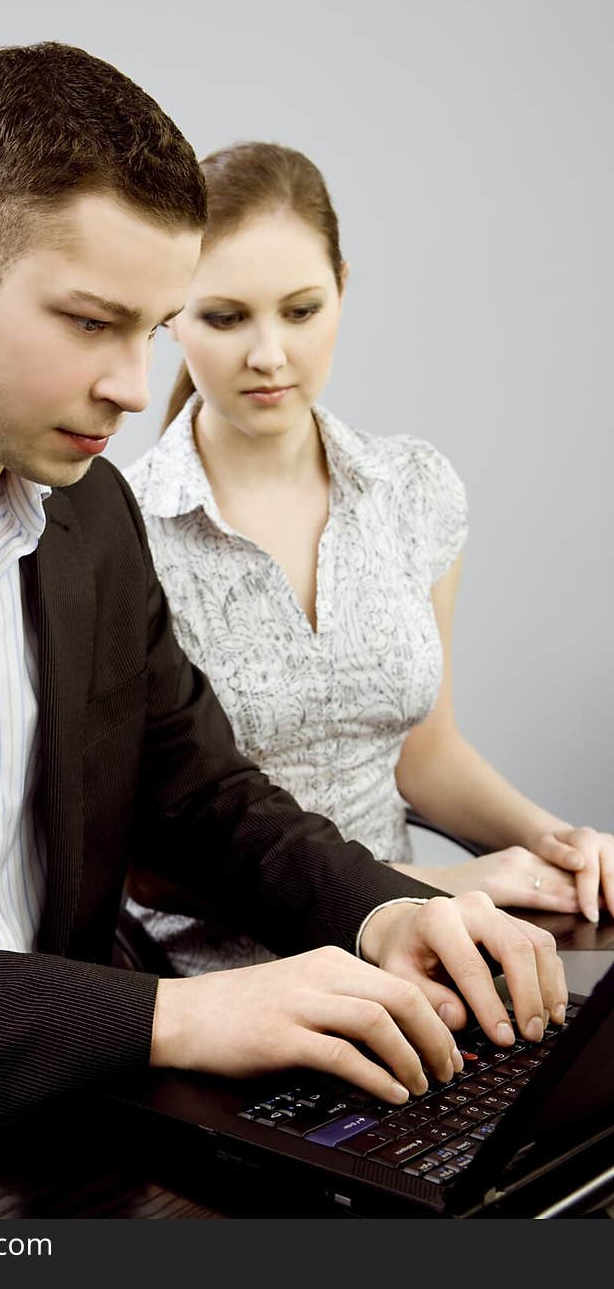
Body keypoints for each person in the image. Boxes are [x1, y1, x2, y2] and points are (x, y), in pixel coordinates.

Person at [0, 49, 567, 1216]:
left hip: (92, 1141)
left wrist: (387, 909)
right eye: (92, 323)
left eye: (158, 329)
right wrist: (174, 1016)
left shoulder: (93, 514)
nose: (136, 388)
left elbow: (207, 793)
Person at [124, 141, 613, 977]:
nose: (269, 355)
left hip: (427, 964)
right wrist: (430, 888)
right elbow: (144, 856)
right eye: (225, 316)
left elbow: (426, 755)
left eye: (302, 310)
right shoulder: (125, 531)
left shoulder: (413, 488)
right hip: (224, 988)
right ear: (170, 316)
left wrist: (558, 843)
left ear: (344, 289)